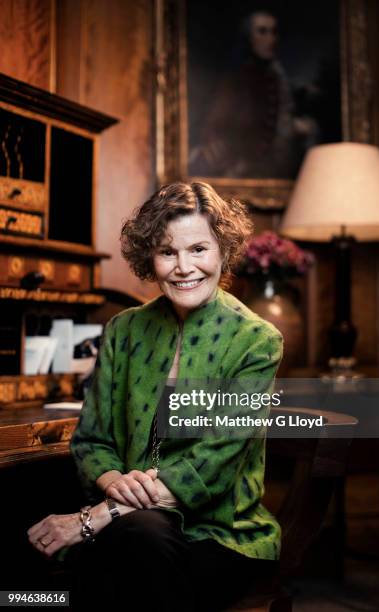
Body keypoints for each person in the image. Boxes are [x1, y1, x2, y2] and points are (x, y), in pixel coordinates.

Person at [27, 182, 283, 611]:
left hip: (220, 533)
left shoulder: (256, 341)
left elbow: (212, 467)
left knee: (128, 545)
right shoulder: (124, 330)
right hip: (132, 526)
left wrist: (92, 519)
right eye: (168, 252)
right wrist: (113, 480)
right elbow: (92, 440)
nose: (184, 267)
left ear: (223, 250)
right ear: (150, 258)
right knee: (36, 536)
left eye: (199, 249)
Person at [189, 10, 318, 179]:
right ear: (249, 38)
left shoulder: (278, 77)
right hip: (242, 164)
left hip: (272, 165)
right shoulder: (237, 79)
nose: (270, 39)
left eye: (273, 32)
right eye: (262, 31)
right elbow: (217, 123)